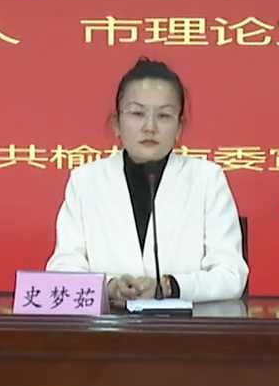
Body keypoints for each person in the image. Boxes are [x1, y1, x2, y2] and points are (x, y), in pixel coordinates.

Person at [46, 58, 248, 305]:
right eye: (137, 113)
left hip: (186, 326)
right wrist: (108, 287)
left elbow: (231, 275)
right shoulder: (86, 181)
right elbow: (63, 269)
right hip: (107, 325)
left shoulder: (207, 179)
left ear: (179, 128)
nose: (150, 127)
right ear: (116, 123)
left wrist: (168, 287)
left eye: (164, 115)